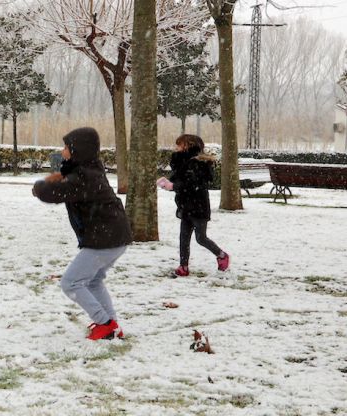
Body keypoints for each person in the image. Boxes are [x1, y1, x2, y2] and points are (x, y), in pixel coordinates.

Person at [33, 127, 133, 341]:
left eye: (66, 147)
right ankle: (111, 325)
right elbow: (70, 181)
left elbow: (54, 194)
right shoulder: (89, 169)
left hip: (104, 239)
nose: (63, 150)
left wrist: (40, 186)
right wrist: (61, 176)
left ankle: (105, 323)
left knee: (71, 283)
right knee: (93, 281)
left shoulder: (83, 177)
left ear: (77, 150)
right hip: (115, 237)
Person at [157, 134, 230, 277]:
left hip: (199, 206)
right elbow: (180, 180)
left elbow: (193, 184)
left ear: (187, 145)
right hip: (185, 206)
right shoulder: (182, 162)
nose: (176, 148)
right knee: (183, 238)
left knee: (200, 237)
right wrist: (167, 182)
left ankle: (222, 255)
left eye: (179, 145)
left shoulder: (199, 163)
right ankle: (183, 266)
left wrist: (173, 186)